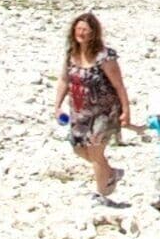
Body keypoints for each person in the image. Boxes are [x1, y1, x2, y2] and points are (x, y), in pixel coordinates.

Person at [54, 13, 132, 207]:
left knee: (96, 152)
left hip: (104, 113)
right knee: (79, 149)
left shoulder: (104, 56)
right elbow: (65, 80)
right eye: (78, 29)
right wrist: (57, 105)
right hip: (79, 111)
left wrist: (126, 110)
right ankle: (111, 172)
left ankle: (103, 193)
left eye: (85, 30)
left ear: (93, 33)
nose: (81, 33)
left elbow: (119, 85)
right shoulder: (71, 53)